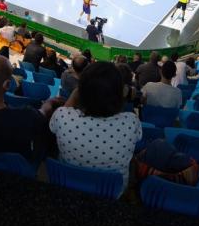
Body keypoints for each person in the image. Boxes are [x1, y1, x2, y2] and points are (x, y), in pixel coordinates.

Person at [49, 62, 142, 192]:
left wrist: (76, 92)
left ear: (80, 92)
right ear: (120, 94)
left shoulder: (62, 116)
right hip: (110, 192)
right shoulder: (131, 121)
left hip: (67, 183)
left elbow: (59, 118)